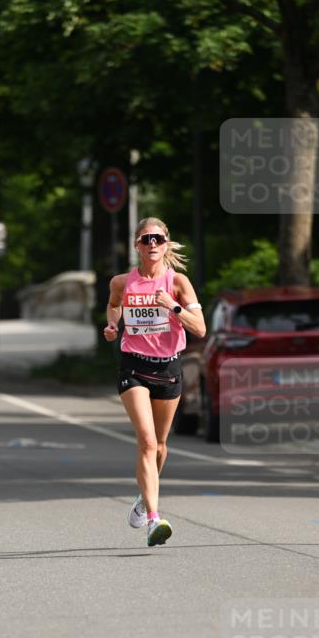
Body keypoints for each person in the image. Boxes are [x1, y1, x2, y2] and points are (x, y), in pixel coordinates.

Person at [104, 217, 206, 547]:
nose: (152, 245)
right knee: (147, 441)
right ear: (136, 245)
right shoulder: (122, 282)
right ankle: (153, 518)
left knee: (161, 446)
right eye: (146, 239)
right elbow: (113, 306)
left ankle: (143, 496)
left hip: (168, 370)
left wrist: (172, 306)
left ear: (166, 244)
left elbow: (200, 329)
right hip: (133, 368)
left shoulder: (178, 282)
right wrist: (111, 326)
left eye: (158, 240)